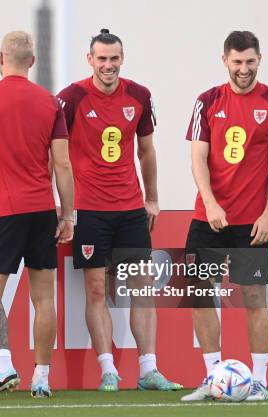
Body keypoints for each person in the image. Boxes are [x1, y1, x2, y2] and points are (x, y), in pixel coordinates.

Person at [56, 29, 181, 392]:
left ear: (122, 59)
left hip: (129, 208)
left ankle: (149, 370)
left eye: (114, 59)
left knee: (142, 287)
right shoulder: (71, 98)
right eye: (102, 59)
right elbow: (57, 156)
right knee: (96, 290)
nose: (108, 65)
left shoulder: (139, 95)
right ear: (90, 60)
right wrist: (66, 209)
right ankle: (108, 369)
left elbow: (147, 151)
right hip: (90, 210)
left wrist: (152, 197)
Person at [180, 30, 268, 402]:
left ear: (259, 59)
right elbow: (198, 156)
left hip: (252, 221)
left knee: (253, 296)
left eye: (249, 61)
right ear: (225, 60)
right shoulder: (207, 101)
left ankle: (259, 381)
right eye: (237, 61)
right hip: (208, 218)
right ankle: (212, 377)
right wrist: (211, 203)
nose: (243, 69)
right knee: (200, 294)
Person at [0, 31, 74, 399]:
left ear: (0, 57)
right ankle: (41, 377)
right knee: (44, 299)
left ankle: (3, 366)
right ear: (33, 62)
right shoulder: (50, 102)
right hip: (42, 211)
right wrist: (67, 214)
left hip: (4, 213)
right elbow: (63, 164)